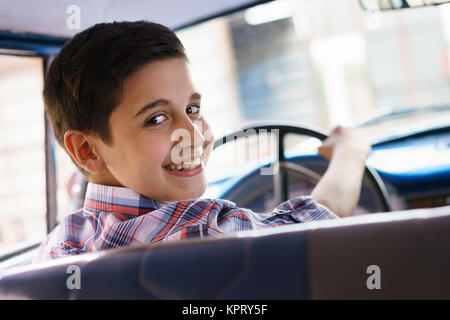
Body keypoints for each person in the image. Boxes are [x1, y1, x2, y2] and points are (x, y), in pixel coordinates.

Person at [34, 21, 370, 262]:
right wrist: (350, 152)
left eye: (193, 109)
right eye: (156, 119)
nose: (194, 136)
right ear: (87, 150)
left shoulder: (57, 247)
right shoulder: (203, 231)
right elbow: (318, 221)